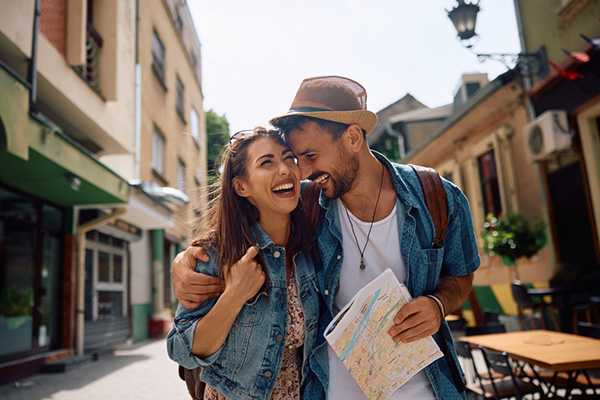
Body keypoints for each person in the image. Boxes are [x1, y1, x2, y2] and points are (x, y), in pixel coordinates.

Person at [172, 76, 480, 400]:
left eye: (310, 155)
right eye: (296, 157)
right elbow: (245, 219)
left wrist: (438, 303)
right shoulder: (304, 204)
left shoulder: (437, 197)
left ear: (352, 138)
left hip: (427, 389)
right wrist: (186, 260)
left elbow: (460, 274)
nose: (301, 171)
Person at [166, 127, 328, 400]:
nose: (285, 169)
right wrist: (235, 296)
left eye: (289, 158)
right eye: (267, 162)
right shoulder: (216, 254)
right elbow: (180, 349)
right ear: (241, 186)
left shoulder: (311, 247)